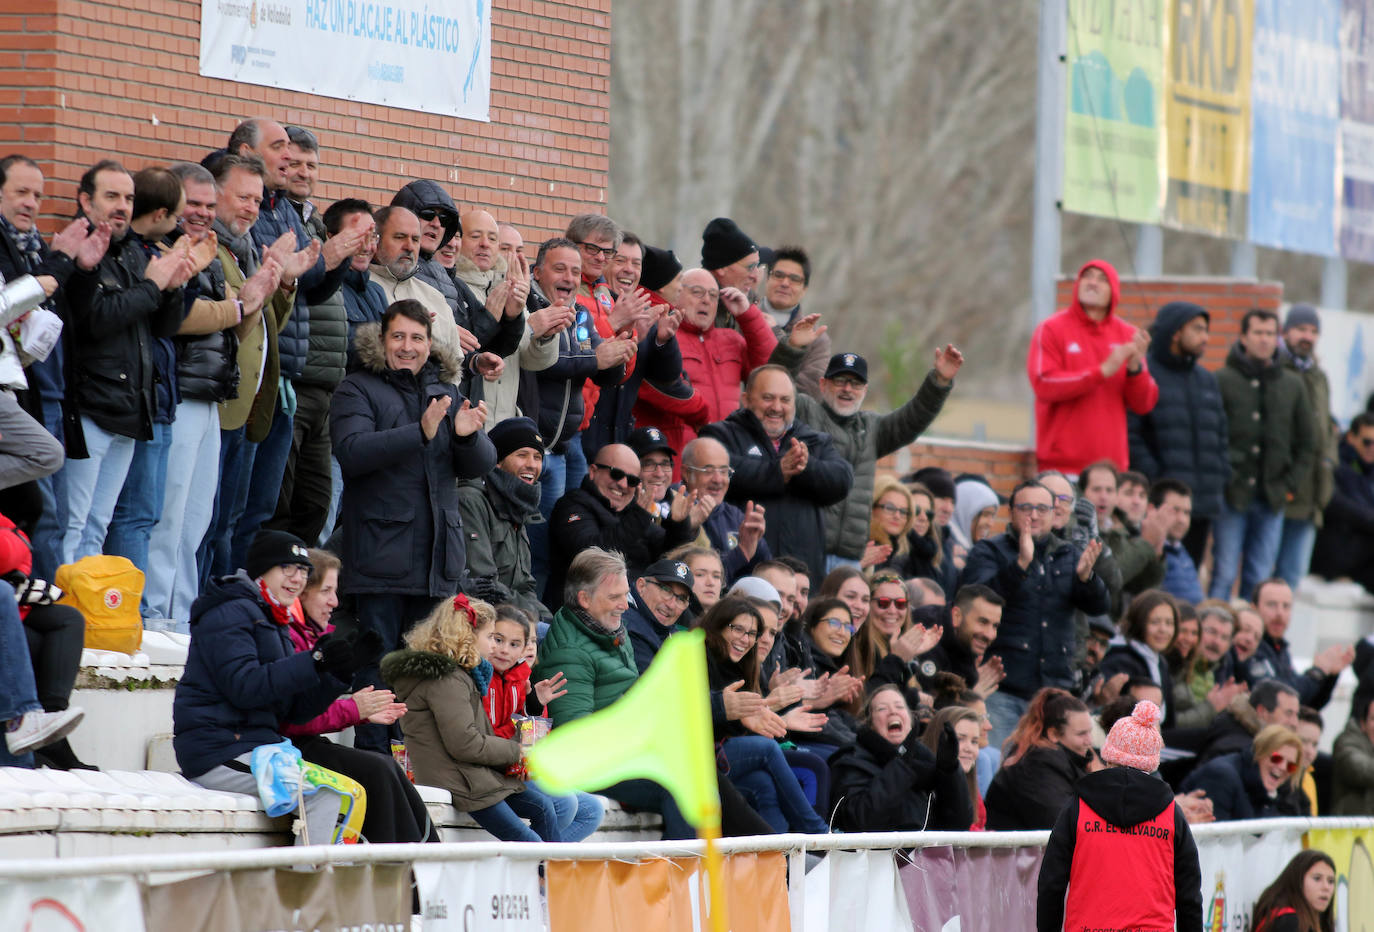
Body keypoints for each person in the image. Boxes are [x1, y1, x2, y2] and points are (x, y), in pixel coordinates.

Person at [330, 299, 497, 751]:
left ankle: (415, 764)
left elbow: (480, 465)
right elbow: (353, 452)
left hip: (436, 560)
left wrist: (466, 436)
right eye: (398, 337)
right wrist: (417, 432)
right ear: (382, 340)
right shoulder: (357, 388)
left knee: (427, 672)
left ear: (430, 343)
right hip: (380, 558)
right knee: (380, 666)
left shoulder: (445, 389)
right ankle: (375, 759)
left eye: (417, 338)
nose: (408, 347)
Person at [173, 530, 381, 845]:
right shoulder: (230, 611)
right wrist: (314, 661)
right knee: (331, 796)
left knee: (350, 792)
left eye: (303, 571)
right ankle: (306, 887)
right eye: (287, 568)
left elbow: (293, 711)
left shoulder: (273, 617)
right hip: (219, 750)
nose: (296, 579)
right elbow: (245, 686)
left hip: (258, 748)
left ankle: (321, 882)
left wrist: (337, 674)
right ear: (262, 569)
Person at [382, 594, 605, 842]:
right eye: (492, 638)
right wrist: (518, 753)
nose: (496, 648)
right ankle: (541, 873)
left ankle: (543, 872)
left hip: (478, 772)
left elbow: (487, 734)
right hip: (463, 778)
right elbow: (466, 742)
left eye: (513, 643)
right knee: (542, 830)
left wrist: (533, 707)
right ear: (467, 636)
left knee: (557, 811)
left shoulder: (468, 675)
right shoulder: (449, 679)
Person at [282, 548, 437, 844]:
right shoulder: (288, 637)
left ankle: (423, 868)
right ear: (302, 592)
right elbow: (292, 718)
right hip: (281, 746)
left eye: (335, 591)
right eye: (326, 591)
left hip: (299, 742)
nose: (335, 602)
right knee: (377, 769)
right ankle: (396, 872)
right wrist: (353, 710)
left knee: (387, 766)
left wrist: (356, 708)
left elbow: (306, 709)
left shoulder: (310, 636)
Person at [959, 479, 1109, 749]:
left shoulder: (1069, 554)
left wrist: (1088, 579)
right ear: (1012, 511)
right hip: (1003, 688)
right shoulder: (990, 550)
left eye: (1042, 508)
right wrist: (1020, 565)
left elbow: (1099, 607)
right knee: (999, 766)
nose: (1034, 515)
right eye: (1026, 507)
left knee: (1052, 772)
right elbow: (975, 599)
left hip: (1055, 692)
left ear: (1054, 514)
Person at [1036, 700, 1203, 932]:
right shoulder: (1170, 811)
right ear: (1152, 761)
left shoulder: (1079, 805)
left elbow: (1051, 884)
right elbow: (1189, 894)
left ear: (1108, 755)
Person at [789, 348, 960, 571]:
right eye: (840, 380)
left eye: (856, 383)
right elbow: (772, 387)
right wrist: (791, 349)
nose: (847, 389)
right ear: (823, 384)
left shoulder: (871, 428)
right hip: (803, 553)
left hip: (850, 561)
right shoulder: (804, 411)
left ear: (865, 390)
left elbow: (912, 419)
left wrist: (939, 382)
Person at [700, 365, 854, 582]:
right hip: (741, 570)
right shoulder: (720, 434)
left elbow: (842, 480)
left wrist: (805, 467)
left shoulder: (813, 440)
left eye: (785, 400)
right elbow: (718, 469)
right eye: (768, 398)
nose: (777, 407)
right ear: (746, 400)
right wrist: (777, 471)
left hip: (801, 576)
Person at [697, 596, 831, 834]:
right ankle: (817, 833)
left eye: (751, 633)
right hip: (695, 755)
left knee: (762, 783)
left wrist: (767, 712)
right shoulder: (696, 654)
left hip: (718, 753)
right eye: (737, 629)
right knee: (769, 750)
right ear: (717, 624)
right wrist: (764, 706)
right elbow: (691, 711)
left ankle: (779, 863)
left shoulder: (739, 665)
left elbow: (743, 725)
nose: (745, 639)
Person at [1212, 309, 1316, 600]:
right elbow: (1212, 436)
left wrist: (1288, 485)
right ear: (1243, 337)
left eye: (1270, 334)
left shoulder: (1293, 384)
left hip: (1272, 498)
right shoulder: (1223, 379)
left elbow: (1308, 443)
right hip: (1232, 495)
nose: (1264, 340)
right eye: (1258, 333)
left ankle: (1251, 640)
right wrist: (1224, 476)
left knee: (1259, 577)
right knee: (1224, 572)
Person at [1027, 258, 1158, 475]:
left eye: (1102, 279)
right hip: (1061, 469)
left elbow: (1144, 404)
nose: (1092, 283)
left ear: (1114, 291)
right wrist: (1102, 371)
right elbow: (1043, 383)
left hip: (1110, 472)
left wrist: (1135, 368)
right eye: (1086, 277)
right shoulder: (1051, 329)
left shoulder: (1127, 335)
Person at [1127, 300, 1229, 565]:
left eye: (1206, 330)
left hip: (1201, 504)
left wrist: (1220, 479)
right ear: (1175, 332)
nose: (1205, 337)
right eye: (1197, 329)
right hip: (1162, 503)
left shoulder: (1207, 379)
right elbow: (1132, 434)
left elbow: (1220, 436)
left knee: (1188, 575)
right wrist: (1159, 480)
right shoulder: (1145, 373)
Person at [545, 441, 695, 607]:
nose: (623, 484)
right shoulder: (573, 504)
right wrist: (639, 517)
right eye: (616, 474)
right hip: (585, 608)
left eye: (631, 480)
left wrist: (678, 524)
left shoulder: (633, 511)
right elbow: (589, 553)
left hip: (638, 607)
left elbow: (667, 556)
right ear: (593, 471)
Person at [828, 683, 971, 833]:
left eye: (900, 707)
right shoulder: (851, 760)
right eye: (882, 708)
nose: (893, 712)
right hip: (876, 855)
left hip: (922, 854)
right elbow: (861, 822)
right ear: (870, 723)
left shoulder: (926, 763)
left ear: (910, 720)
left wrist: (950, 770)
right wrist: (901, 765)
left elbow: (959, 825)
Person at [456, 416, 551, 626]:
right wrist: (535, 620)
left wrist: (551, 621)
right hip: (481, 620)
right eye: (522, 455)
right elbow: (484, 585)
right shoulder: (471, 500)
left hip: (514, 618)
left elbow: (525, 586)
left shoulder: (518, 504)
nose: (532, 465)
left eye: (537, 457)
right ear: (497, 461)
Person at [1276, 305, 1334, 590]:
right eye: (1300, 329)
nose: (1307, 337)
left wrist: (1329, 466)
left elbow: (1326, 431)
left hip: (1313, 495)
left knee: (1293, 578)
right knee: (1266, 573)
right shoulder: (1276, 370)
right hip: (1284, 489)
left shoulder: (1319, 376)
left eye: (1313, 331)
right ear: (1285, 332)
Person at [984, 688, 1097, 831]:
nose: (1090, 741)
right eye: (1081, 734)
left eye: (1089, 732)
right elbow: (1060, 824)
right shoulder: (1037, 764)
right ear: (1053, 734)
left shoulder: (1061, 760)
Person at [1247, 577, 1350, 710]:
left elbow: (1306, 706)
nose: (1280, 613)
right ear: (1254, 609)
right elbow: (1281, 700)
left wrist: (1330, 676)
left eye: (1286, 606)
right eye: (1272, 604)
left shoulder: (1280, 649)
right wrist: (1318, 672)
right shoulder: (1248, 647)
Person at [679, 436, 771, 582]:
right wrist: (742, 552)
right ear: (686, 472)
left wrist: (756, 543)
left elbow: (765, 573)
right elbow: (699, 581)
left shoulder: (735, 517)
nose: (718, 480)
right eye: (708, 471)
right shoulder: (672, 507)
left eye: (724, 471)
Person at [1181, 723, 1307, 820]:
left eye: (1291, 766)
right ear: (1260, 752)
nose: (1283, 767)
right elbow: (1213, 839)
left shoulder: (1267, 790)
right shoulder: (1222, 776)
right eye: (1277, 758)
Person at [1311, 412, 1374, 593]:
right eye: (1367, 442)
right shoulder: (1335, 465)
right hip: (1336, 555)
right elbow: (1333, 502)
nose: (1372, 448)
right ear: (1351, 438)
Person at [757, 245, 830, 396]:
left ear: (805, 288)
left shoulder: (815, 338)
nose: (785, 283)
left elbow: (810, 391)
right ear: (767, 278)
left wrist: (776, 334)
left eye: (794, 279)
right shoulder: (742, 317)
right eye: (778, 275)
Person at [1096, 589, 1178, 723]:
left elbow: (1169, 722)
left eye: (1169, 623)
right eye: (1155, 622)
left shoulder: (1160, 662)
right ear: (1139, 623)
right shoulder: (1121, 660)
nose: (1163, 629)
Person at [920, 705, 987, 830]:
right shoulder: (922, 788)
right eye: (960, 739)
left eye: (974, 742)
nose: (969, 748)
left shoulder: (972, 791)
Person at [623, 558, 694, 674]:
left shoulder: (671, 633)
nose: (671, 605)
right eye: (666, 590)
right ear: (641, 586)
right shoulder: (626, 625)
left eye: (681, 598)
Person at [1249, 850, 1337, 932]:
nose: (1326, 887)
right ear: (1297, 880)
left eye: (1331, 881)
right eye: (1317, 878)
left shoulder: (1315, 920)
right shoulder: (1287, 921)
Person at [1332, 693, 1374, 814]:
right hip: (1349, 829)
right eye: (1373, 719)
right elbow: (1357, 768)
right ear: (1363, 723)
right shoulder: (1347, 741)